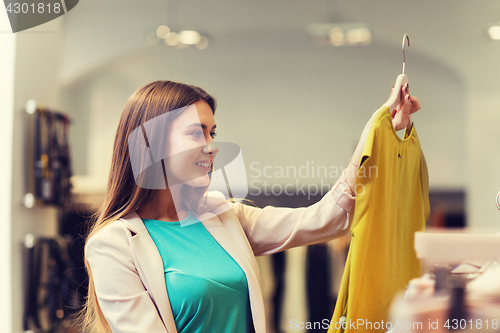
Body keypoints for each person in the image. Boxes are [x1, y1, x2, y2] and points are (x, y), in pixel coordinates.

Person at [80, 80, 420, 333]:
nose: (212, 147)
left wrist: (376, 136)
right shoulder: (113, 245)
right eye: (197, 133)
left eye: (213, 133)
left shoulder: (223, 215)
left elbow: (324, 219)